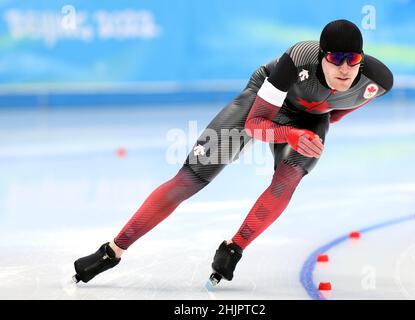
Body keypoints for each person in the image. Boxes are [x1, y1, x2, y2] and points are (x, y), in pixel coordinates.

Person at [72, 19, 393, 286]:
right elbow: (255, 124)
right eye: (336, 58)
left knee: (288, 178)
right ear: (322, 56)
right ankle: (112, 251)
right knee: (190, 179)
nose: (345, 67)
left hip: (311, 116)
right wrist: (291, 133)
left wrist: (318, 123)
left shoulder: (377, 82)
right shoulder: (296, 60)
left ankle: (234, 247)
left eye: (352, 59)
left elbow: (342, 108)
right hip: (262, 103)